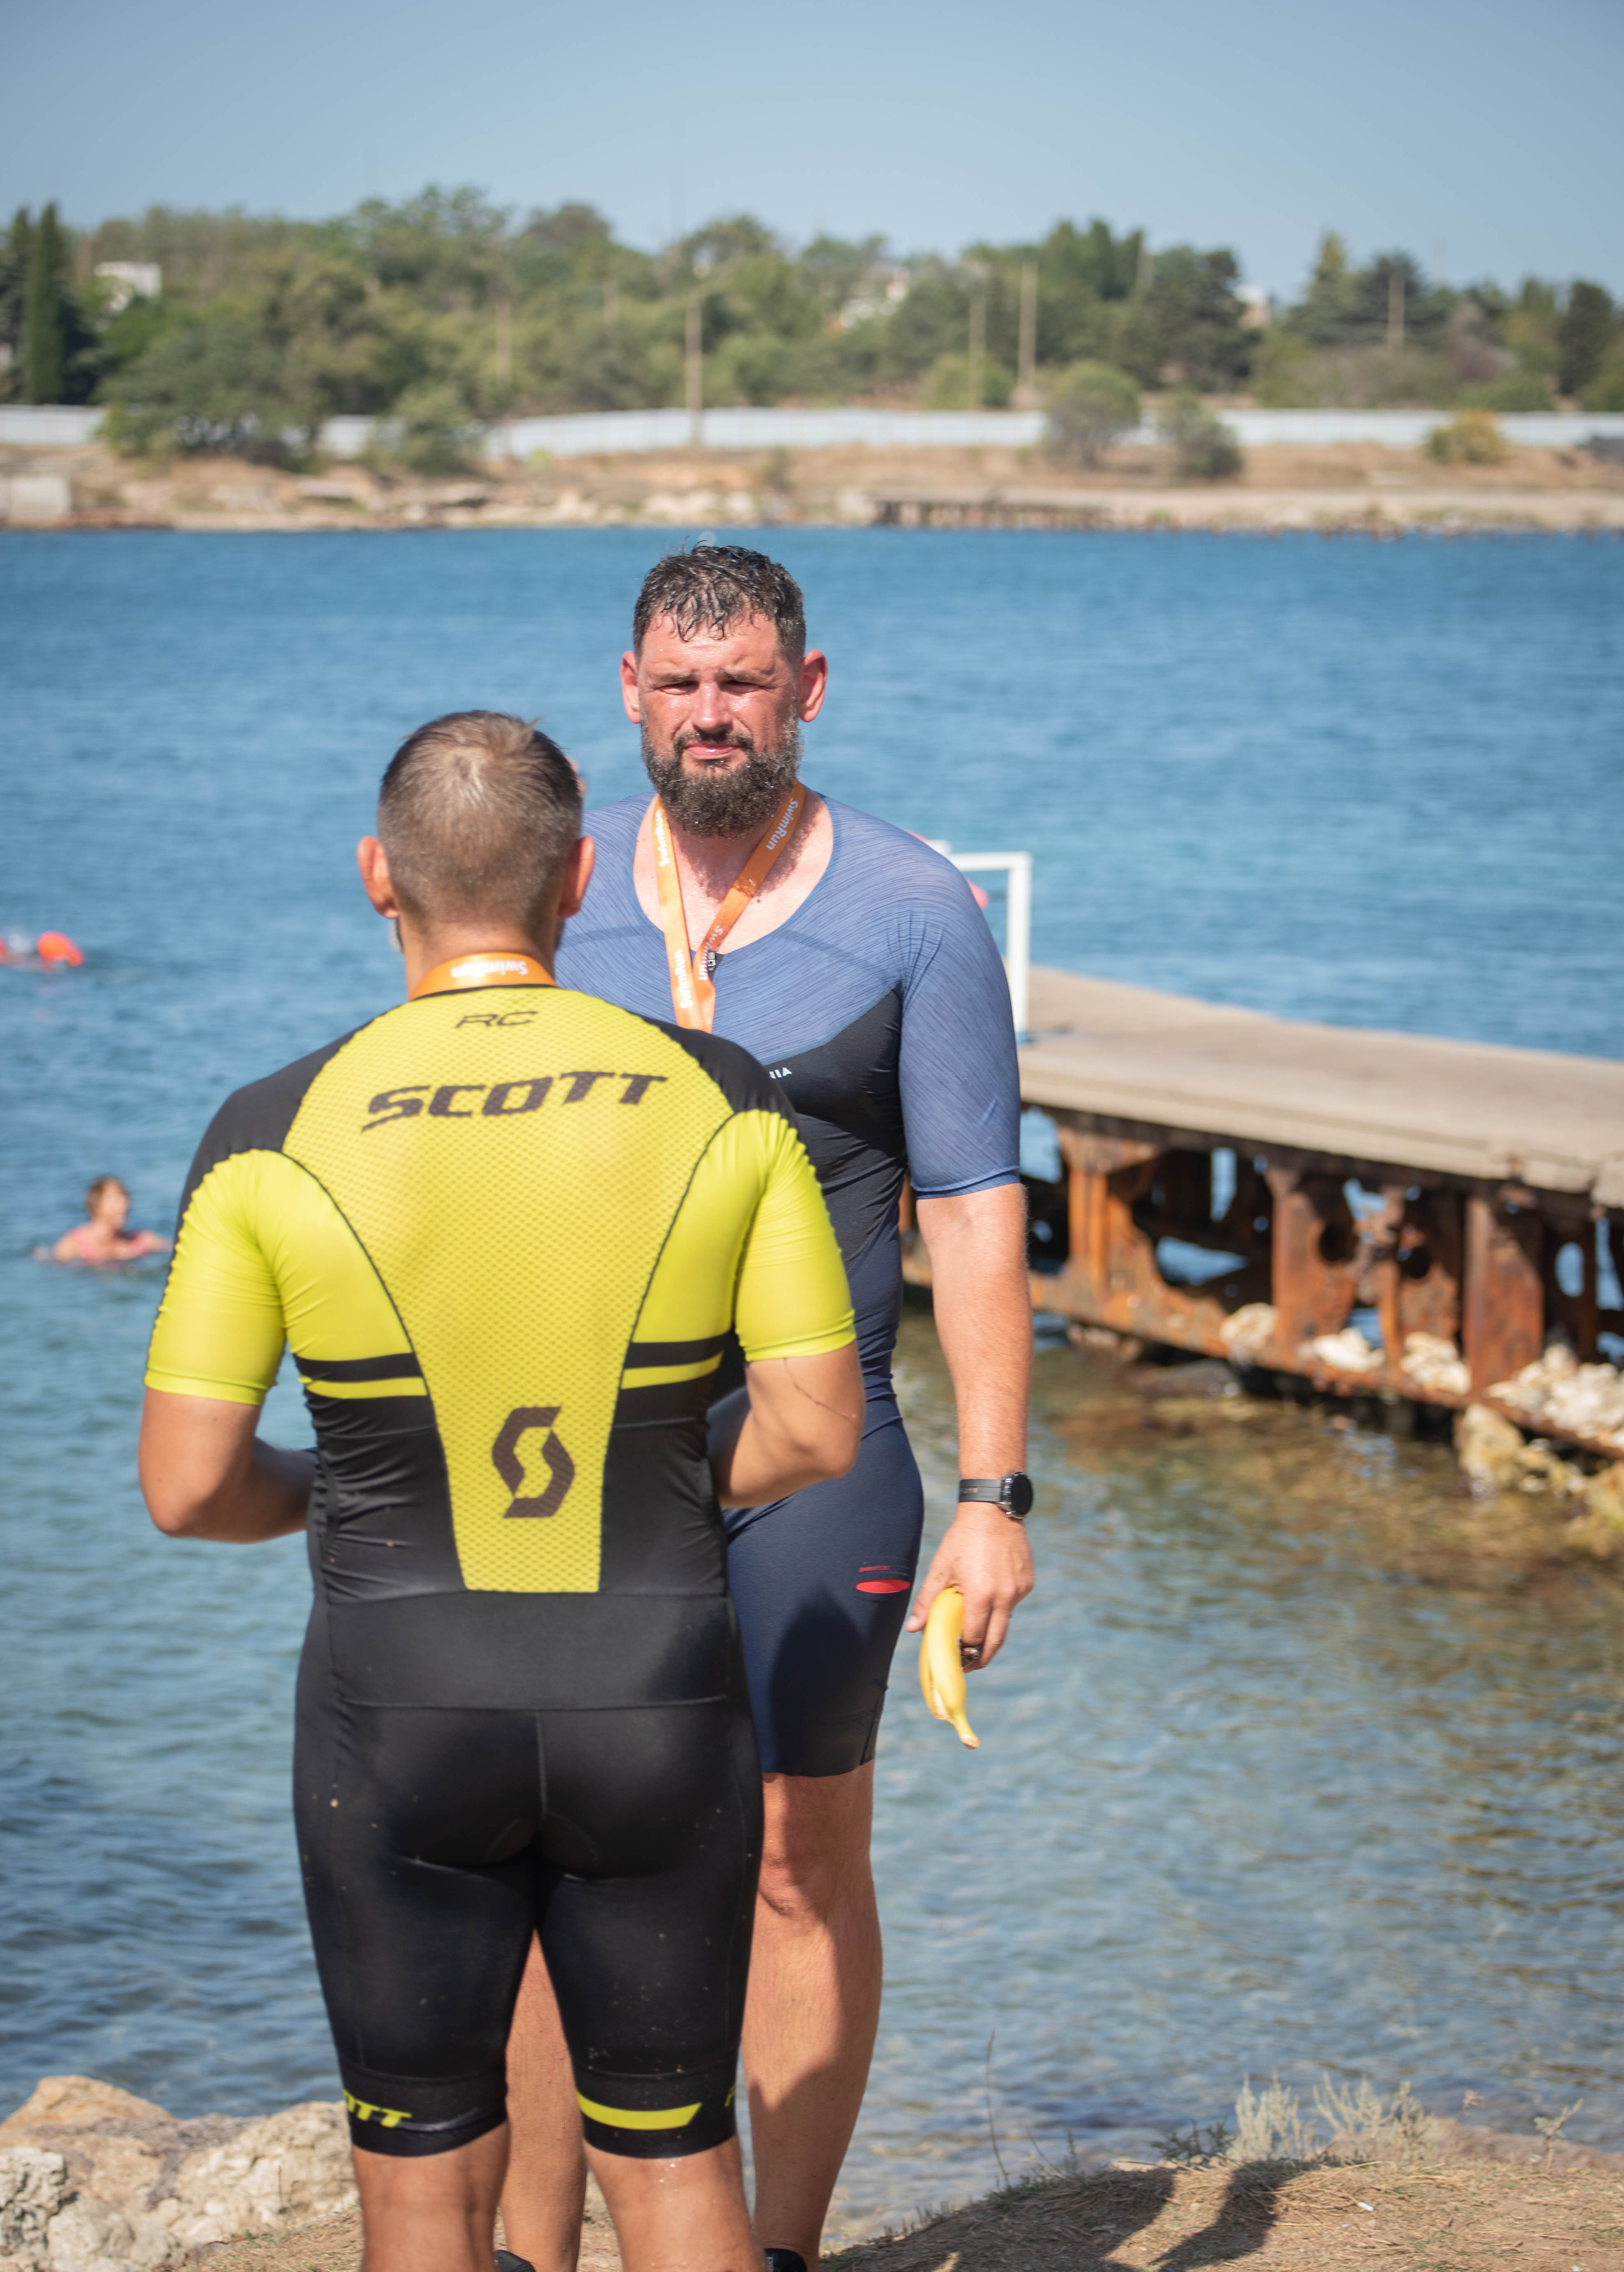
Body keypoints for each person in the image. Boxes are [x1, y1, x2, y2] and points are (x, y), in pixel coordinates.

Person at [138, 711, 865, 2272]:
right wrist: (645, 1472)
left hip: (398, 1704)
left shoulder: (270, 1126)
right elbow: (816, 1429)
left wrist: (354, 1491)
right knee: (673, 2164)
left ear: (375, 875)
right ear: (580, 876)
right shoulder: (722, 1095)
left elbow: (187, 1488)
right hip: (653, 1684)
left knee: (422, 2188)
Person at [504, 547, 1035, 2272]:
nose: (709, 713)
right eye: (679, 682)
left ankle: (781, 2248)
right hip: (586, 1456)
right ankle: (526, 2248)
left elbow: (972, 1211)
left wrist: (995, 1496)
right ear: (629, 690)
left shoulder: (911, 906)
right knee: (553, 1852)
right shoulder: (555, 886)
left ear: (805, 689)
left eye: (741, 681)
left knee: (800, 1856)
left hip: (825, 1453)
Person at [51, 1176, 169, 1263]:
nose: (124, 1205)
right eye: (115, 1199)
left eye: (124, 1198)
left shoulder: (141, 1242)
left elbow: (175, 1250)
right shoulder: (73, 1247)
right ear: (95, 1208)